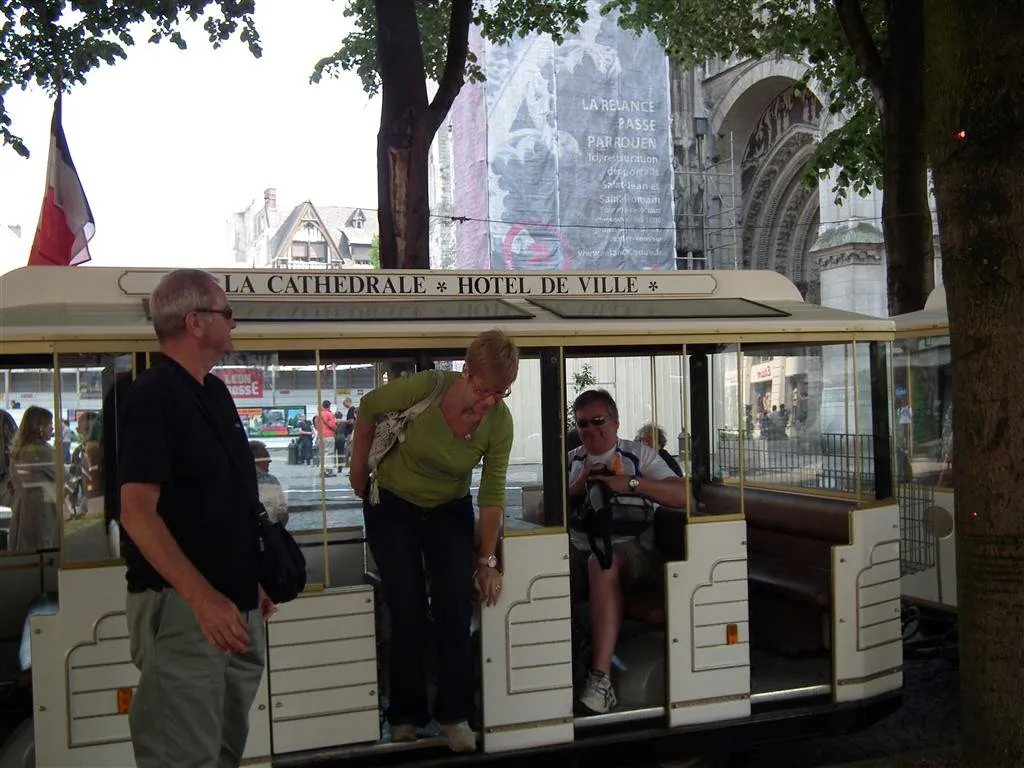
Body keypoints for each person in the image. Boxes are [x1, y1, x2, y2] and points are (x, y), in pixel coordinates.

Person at [118, 269, 273, 768]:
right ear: (195, 322)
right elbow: (136, 512)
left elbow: (225, 499)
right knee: (184, 755)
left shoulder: (215, 393)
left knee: (223, 751)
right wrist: (202, 598)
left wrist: (249, 578)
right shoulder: (153, 395)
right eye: (227, 313)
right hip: (186, 610)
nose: (234, 322)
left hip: (234, 604)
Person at [348, 330, 519, 753]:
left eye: (500, 393)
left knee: (455, 605)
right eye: (483, 389)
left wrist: (487, 560)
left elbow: (492, 493)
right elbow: (368, 408)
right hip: (393, 504)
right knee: (407, 607)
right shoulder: (426, 387)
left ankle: (453, 714)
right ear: (466, 372)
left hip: (448, 508)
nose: (489, 401)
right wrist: (358, 470)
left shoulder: (499, 422)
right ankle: (404, 715)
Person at [568, 390, 687, 715]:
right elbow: (541, 512)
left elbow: (683, 495)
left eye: (598, 421)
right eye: (583, 424)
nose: (591, 430)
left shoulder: (638, 455)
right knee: (538, 565)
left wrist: (631, 483)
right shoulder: (573, 460)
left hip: (632, 551)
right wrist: (576, 488)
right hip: (577, 548)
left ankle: (601, 678)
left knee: (602, 563)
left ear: (615, 422)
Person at [251, 440, 288, 527]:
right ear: (256, 459)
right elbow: (282, 512)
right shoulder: (270, 480)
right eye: (266, 457)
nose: (269, 461)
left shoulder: (271, 479)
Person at [318, 400, 338, 471]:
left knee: (322, 453)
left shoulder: (319, 414)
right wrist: (336, 425)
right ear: (329, 406)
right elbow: (333, 425)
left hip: (320, 436)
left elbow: (316, 425)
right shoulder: (329, 414)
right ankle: (328, 470)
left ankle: (322, 469)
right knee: (329, 453)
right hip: (328, 435)